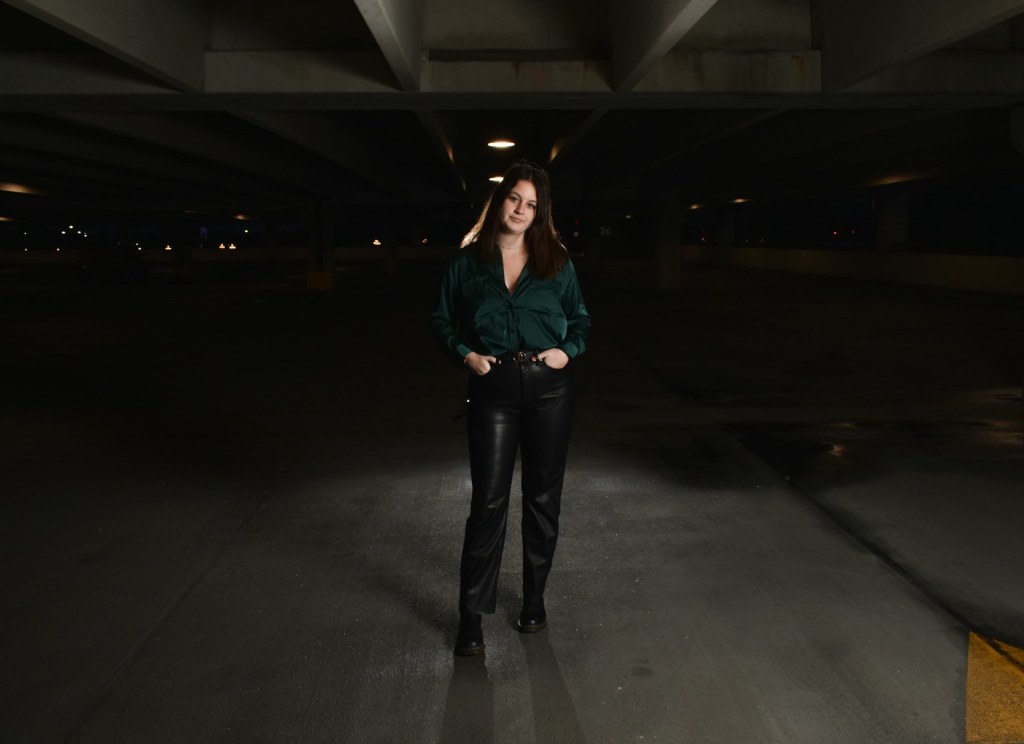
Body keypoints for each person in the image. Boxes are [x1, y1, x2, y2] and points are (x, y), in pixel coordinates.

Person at [430, 161, 591, 656]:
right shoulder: (465, 264)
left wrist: (569, 351)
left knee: (543, 499)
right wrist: (466, 355)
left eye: (532, 205)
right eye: (514, 199)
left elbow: (580, 320)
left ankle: (534, 603)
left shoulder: (557, 261)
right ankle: (471, 618)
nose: (521, 210)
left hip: (549, 391)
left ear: (539, 213)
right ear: (499, 200)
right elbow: (441, 321)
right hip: (493, 390)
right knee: (489, 503)